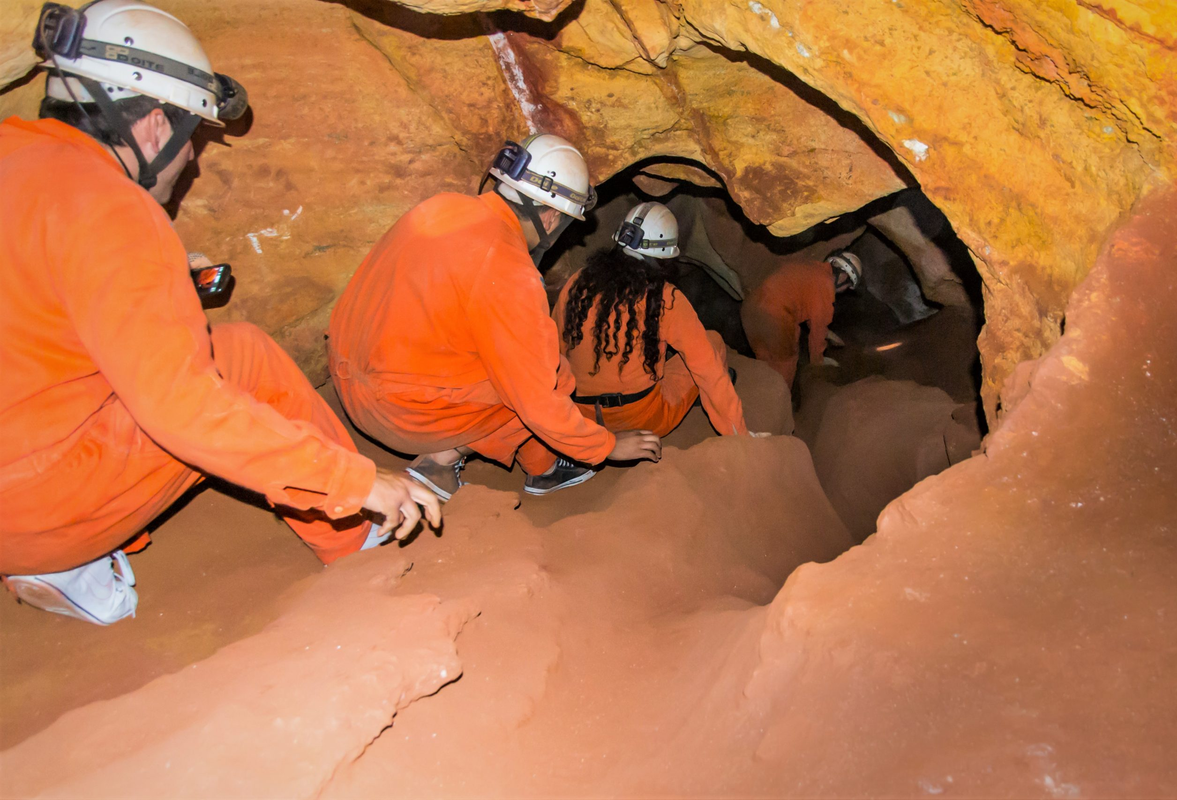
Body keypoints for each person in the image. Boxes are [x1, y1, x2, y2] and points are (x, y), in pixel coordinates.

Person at [0, 0, 440, 626]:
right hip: (33, 509)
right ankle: (355, 540)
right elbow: (186, 410)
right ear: (154, 126)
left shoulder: (17, 158)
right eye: (192, 138)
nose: (192, 159)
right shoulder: (114, 210)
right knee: (242, 358)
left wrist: (161, 286)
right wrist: (354, 481)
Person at [328, 135, 663, 500]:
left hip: (349, 377)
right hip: (397, 412)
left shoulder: (443, 206)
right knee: (551, 377)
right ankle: (440, 460)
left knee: (519, 365)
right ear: (551, 217)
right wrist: (607, 446)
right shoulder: (507, 267)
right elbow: (536, 399)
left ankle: (544, 468)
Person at [554, 202, 753, 440]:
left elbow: (556, 346)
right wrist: (739, 434)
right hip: (641, 419)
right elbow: (707, 368)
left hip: (580, 414)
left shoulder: (578, 283)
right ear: (665, 257)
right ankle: (712, 405)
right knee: (713, 342)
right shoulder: (665, 298)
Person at [740, 251, 862, 387]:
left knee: (764, 360)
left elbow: (804, 303)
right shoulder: (826, 285)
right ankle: (779, 401)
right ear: (843, 276)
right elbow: (817, 333)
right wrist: (818, 363)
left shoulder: (810, 268)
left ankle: (761, 393)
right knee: (785, 363)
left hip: (750, 308)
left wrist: (829, 334)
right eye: (847, 286)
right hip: (775, 317)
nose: (844, 290)